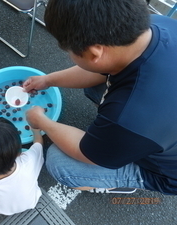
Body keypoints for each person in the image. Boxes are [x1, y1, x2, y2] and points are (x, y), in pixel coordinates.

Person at [24, 0, 177, 195]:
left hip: (168, 174)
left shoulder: (128, 117)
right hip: (160, 126)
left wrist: (42, 121)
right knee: (100, 89)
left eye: (69, 51)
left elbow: (84, 152)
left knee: (60, 163)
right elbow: (105, 66)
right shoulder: (158, 24)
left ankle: (125, 178)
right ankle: (119, 149)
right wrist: (48, 80)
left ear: (94, 52)